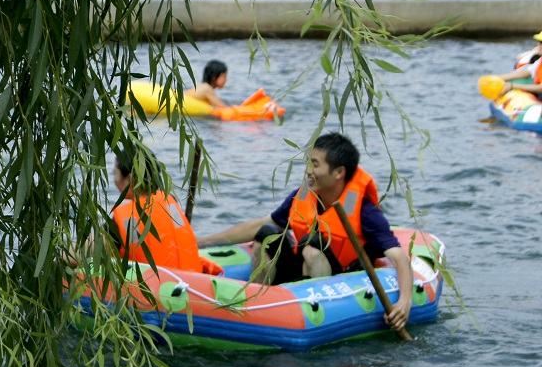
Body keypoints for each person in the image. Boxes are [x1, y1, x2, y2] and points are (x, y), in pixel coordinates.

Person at [195, 132, 413, 332]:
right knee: (266, 233)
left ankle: (308, 318)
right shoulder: (302, 197)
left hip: (335, 284)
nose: (308, 170)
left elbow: (399, 257)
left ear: (338, 172)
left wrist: (404, 301)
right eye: (308, 162)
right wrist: (203, 241)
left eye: (315, 165)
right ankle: (256, 302)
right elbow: (260, 224)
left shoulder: (364, 211)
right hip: (298, 273)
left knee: (312, 243)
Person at [68, 147, 222, 274]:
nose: (114, 180)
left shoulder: (123, 220)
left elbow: (78, 254)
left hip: (159, 293)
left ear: (129, 180)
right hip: (193, 280)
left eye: (115, 174)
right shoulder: (170, 202)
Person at [496, 31, 542, 97]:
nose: (538, 45)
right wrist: (500, 78)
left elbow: (540, 88)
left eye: (541, 43)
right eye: (539, 42)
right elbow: (528, 71)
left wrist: (512, 86)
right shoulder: (540, 61)